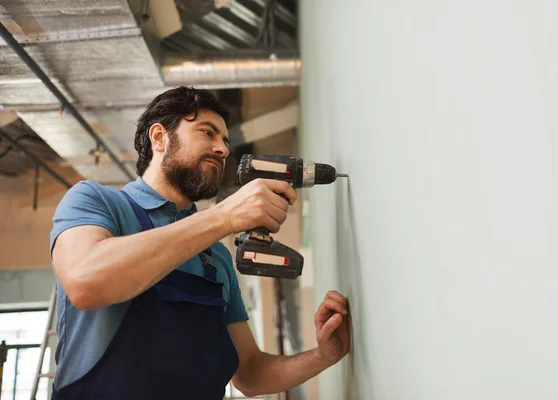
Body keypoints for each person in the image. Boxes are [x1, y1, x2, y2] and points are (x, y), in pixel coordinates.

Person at [49, 86, 350, 400]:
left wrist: (324, 355)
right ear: (159, 138)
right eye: (208, 133)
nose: (222, 149)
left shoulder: (215, 257)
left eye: (225, 141)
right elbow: (86, 282)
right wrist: (223, 216)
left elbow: (250, 372)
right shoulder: (97, 202)